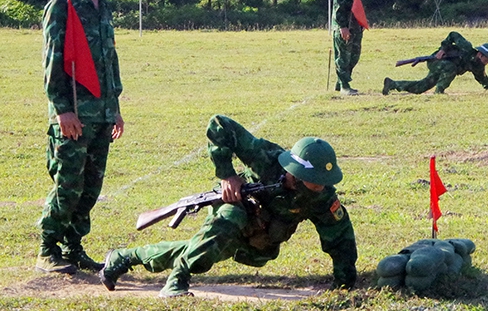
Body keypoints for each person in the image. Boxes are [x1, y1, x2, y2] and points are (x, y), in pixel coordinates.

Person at [99, 115, 358, 297]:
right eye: (314, 182)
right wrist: (226, 175)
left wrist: (344, 281)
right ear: (296, 172)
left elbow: (340, 237)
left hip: (260, 237)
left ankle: (124, 257)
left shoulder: (322, 198)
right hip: (234, 209)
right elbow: (219, 124)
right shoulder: (265, 158)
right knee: (224, 226)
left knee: (202, 251)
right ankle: (177, 280)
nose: (320, 187)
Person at [36, 0, 126, 274]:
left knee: (91, 187)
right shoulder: (63, 6)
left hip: (101, 113)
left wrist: (114, 106)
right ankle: (48, 249)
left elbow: (108, 61)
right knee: (68, 184)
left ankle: (74, 248)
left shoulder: (103, 6)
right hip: (74, 112)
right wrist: (63, 110)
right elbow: (54, 62)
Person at [382, 31, 488, 95]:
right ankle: (439, 91)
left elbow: (483, 80)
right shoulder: (466, 47)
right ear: (480, 54)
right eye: (487, 59)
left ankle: (392, 84)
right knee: (451, 67)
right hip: (438, 61)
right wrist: (443, 49)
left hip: (445, 70)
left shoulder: (478, 66)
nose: (487, 62)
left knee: (420, 87)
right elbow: (453, 35)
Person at [332, 0, 370, 96]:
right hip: (345, 24)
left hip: (355, 24)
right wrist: (342, 26)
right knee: (343, 55)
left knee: (354, 55)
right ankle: (344, 86)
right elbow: (338, 4)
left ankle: (341, 82)